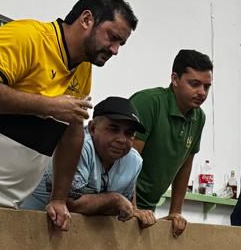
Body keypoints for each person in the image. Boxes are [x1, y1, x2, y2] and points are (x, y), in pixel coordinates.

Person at [0, 0, 137, 227]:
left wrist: (59, 199)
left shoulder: (82, 70)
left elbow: (72, 134)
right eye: (112, 37)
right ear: (86, 20)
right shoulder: (26, 36)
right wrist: (48, 105)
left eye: (120, 43)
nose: (115, 50)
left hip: (7, 201)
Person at [21, 96, 153, 227]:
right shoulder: (78, 147)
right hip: (27, 223)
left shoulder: (133, 161)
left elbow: (128, 207)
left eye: (129, 134)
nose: (122, 139)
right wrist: (114, 200)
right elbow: (69, 204)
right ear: (92, 128)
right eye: (113, 129)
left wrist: (135, 211)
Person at [130, 50, 212, 238]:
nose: (202, 92)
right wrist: (132, 207)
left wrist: (175, 211)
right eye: (195, 84)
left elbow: (185, 165)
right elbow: (127, 160)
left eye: (207, 87)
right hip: (119, 201)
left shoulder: (198, 117)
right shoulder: (148, 103)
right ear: (175, 79)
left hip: (149, 206)